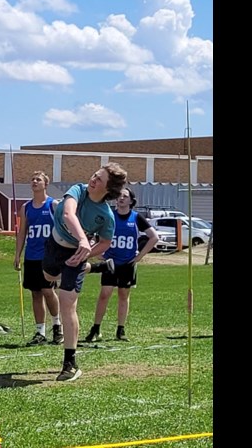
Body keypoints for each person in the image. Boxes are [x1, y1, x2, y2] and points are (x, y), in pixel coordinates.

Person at [42, 163, 128, 381]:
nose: (93, 180)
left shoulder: (106, 216)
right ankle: (93, 268)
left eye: (99, 179)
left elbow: (106, 242)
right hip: (55, 245)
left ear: (108, 189)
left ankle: (70, 363)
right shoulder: (78, 190)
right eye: (94, 175)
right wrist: (83, 239)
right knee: (48, 278)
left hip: (75, 256)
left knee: (66, 303)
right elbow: (69, 214)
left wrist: (83, 255)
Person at [84, 187, 159, 343]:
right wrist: (97, 252)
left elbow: (154, 237)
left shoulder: (136, 218)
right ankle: (96, 328)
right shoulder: (109, 216)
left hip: (127, 263)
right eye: (118, 195)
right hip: (110, 262)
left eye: (125, 196)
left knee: (123, 295)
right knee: (104, 294)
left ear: (131, 201)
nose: (121, 198)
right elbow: (91, 234)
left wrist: (139, 256)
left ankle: (120, 329)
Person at [14, 171, 63, 346]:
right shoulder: (26, 208)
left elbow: (62, 229)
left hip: (48, 257)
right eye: (32, 179)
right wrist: (17, 255)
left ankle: (57, 326)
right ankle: (40, 332)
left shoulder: (53, 205)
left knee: (48, 291)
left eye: (38, 179)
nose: (35, 182)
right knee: (36, 293)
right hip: (31, 256)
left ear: (45, 184)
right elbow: (22, 233)